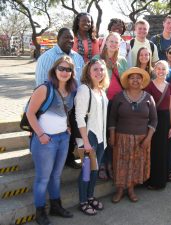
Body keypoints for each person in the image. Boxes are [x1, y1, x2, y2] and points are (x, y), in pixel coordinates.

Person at [27, 56, 77, 225]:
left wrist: (68, 126)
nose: (64, 72)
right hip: (45, 141)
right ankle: (40, 211)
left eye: (68, 69)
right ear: (54, 70)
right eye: (61, 68)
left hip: (63, 138)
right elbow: (30, 113)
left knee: (56, 176)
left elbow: (66, 111)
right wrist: (41, 135)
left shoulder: (71, 90)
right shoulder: (44, 88)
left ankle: (56, 206)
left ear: (72, 73)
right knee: (43, 178)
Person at [35, 28, 84, 169]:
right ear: (58, 39)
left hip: (73, 104)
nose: (69, 40)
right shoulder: (47, 57)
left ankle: (68, 157)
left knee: (70, 133)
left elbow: (80, 81)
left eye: (71, 38)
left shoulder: (78, 58)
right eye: (65, 37)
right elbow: (40, 83)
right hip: (53, 105)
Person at [108, 67, 157, 203]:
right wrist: (112, 134)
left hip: (141, 139)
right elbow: (112, 118)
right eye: (132, 77)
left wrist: (148, 138)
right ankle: (119, 190)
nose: (135, 80)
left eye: (138, 77)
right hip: (121, 137)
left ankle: (130, 189)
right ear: (127, 80)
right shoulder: (119, 97)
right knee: (120, 164)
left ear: (142, 80)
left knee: (136, 165)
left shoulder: (148, 97)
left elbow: (154, 119)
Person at [75, 59, 109, 215]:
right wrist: (86, 142)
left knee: (94, 171)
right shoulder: (84, 89)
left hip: (101, 138)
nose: (99, 72)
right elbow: (79, 117)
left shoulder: (101, 90)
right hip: (88, 137)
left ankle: (90, 197)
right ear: (88, 71)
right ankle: (83, 201)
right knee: (87, 171)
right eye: (95, 69)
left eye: (101, 69)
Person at [94, 31, 128, 180]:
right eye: (111, 41)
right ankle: (102, 164)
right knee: (102, 134)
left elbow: (126, 82)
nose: (114, 44)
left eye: (117, 42)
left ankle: (111, 164)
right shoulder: (97, 59)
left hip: (118, 103)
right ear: (106, 42)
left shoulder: (123, 61)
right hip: (102, 102)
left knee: (114, 135)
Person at [144, 60, 171, 189]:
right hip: (153, 120)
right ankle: (151, 180)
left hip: (165, 120)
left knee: (163, 150)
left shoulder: (170, 87)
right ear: (154, 70)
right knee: (153, 151)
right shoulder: (149, 86)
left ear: (167, 71)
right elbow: (147, 107)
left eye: (163, 69)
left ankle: (161, 181)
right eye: (158, 69)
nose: (161, 71)